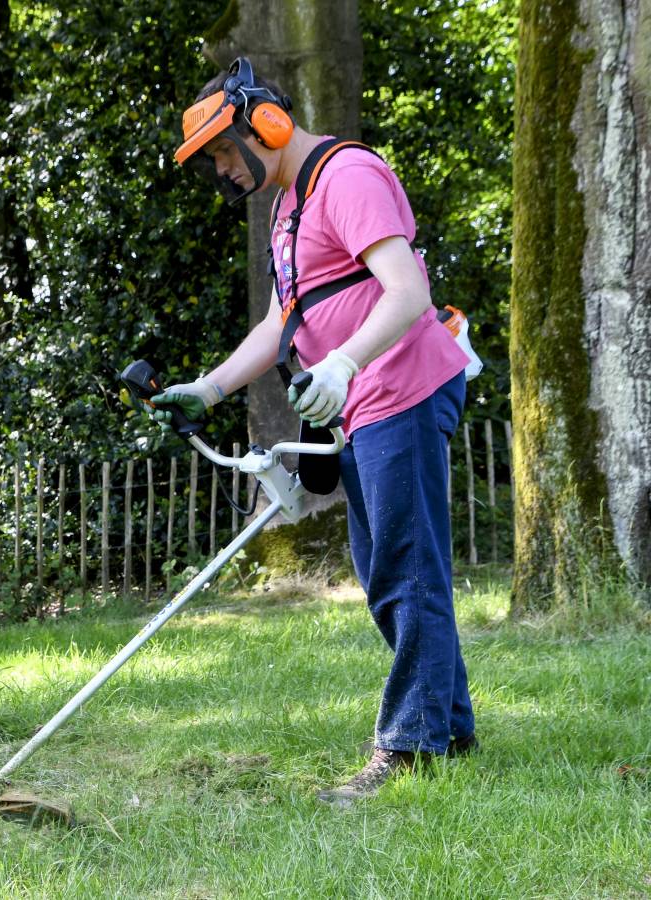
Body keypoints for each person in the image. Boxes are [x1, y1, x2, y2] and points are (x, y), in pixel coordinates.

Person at [155, 57, 477, 805]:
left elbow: (407, 292)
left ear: (265, 121)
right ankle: (450, 729)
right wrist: (208, 388)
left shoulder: (347, 176)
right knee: (388, 569)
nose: (225, 172)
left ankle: (408, 746)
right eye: (212, 164)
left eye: (226, 152)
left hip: (401, 386)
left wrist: (340, 365)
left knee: (404, 568)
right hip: (362, 403)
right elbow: (280, 322)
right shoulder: (289, 208)